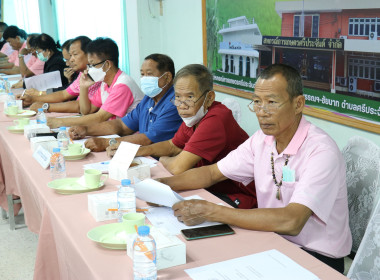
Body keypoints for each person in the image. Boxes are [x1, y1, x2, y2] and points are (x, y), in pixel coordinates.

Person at [160, 64, 352, 273]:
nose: (262, 112)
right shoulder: (262, 140)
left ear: (298, 104)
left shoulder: (321, 151)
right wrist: (161, 186)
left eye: (271, 102)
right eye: (257, 103)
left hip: (315, 256)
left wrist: (213, 211)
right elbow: (212, 173)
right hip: (272, 239)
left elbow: (292, 221)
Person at [131, 64, 256, 209]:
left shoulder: (216, 118)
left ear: (209, 98)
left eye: (190, 97)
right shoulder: (194, 116)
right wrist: (140, 151)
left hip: (238, 195)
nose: (182, 105)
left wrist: (164, 160)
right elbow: (172, 145)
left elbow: (178, 167)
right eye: (178, 97)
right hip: (209, 186)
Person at [68, 53, 182, 151]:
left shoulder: (174, 104)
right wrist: (86, 129)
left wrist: (106, 143)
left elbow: (148, 139)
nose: (144, 78)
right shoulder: (149, 99)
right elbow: (122, 125)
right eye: (142, 74)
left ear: (167, 77)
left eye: (149, 74)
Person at [46, 37, 144, 128]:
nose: (89, 69)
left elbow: (99, 117)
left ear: (107, 64)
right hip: (115, 130)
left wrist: (60, 122)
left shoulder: (122, 85)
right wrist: (83, 87)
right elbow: (86, 111)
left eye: (92, 65)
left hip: (131, 135)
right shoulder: (104, 84)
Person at [20, 36, 100, 113]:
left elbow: (81, 106)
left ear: (89, 54)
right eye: (70, 56)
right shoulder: (83, 73)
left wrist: (46, 106)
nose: (71, 60)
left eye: (75, 55)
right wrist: (32, 99)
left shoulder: (95, 75)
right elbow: (64, 94)